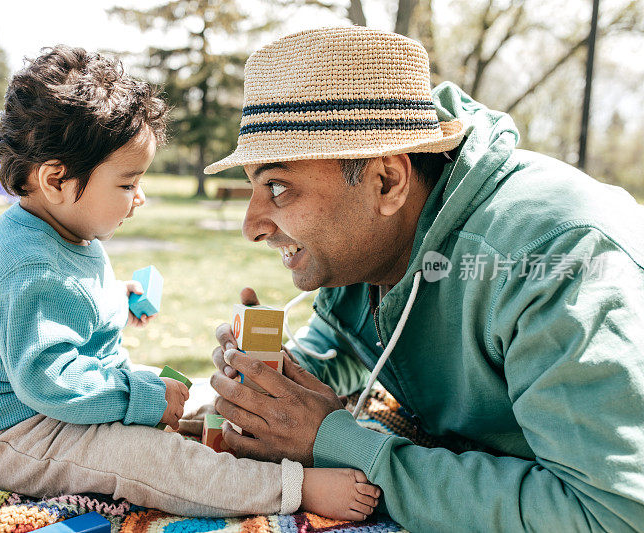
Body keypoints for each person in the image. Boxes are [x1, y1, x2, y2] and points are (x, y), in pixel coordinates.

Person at [204, 27, 644, 531]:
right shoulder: (369, 245)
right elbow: (348, 341)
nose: (251, 226)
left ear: (387, 181)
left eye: (278, 186)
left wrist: (337, 443)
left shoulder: (556, 260)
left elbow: (612, 514)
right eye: (253, 187)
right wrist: (278, 381)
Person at [0, 45, 381, 520]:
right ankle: (290, 488)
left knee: (182, 414)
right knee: (150, 460)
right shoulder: (29, 269)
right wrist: (141, 398)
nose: (141, 197)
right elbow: (52, 380)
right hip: (8, 434)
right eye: (128, 184)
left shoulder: (60, 232)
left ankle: (225, 444)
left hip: (48, 410)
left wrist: (113, 297)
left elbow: (62, 308)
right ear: (57, 180)